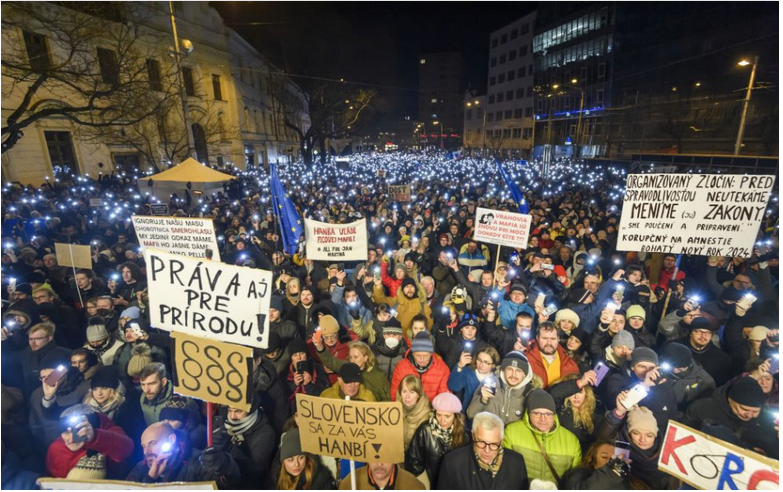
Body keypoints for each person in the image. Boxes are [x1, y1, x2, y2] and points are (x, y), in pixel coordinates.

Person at [502, 389, 582, 485]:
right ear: (529, 413)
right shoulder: (512, 432)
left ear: (554, 414)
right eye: (537, 413)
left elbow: (576, 479)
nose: (543, 419)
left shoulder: (571, 441)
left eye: (548, 414)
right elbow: (504, 470)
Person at [126, 422, 241, 488]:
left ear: (171, 439)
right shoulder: (141, 467)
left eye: (153, 443)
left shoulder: (197, 460)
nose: (147, 451)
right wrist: (150, 479)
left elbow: (226, 485)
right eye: (143, 446)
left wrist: (224, 465)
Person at [598, 398, 677, 490]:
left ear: (655, 436)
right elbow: (604, 438)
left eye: (649, 435)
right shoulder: (621, 447)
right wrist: (619, 412)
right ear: (628, 432)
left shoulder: (668, 455)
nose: (642, 439)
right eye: (636, 433)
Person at [436, 412, 528, 490]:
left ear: (501, 440)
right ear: (473, 435)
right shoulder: (452, 462)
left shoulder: (517, 462)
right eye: (481, 442)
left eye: (493, 444)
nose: (487, 450)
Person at [45, 404, 134, 479]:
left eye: (78, 432)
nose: (71, 439)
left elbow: (126, 448)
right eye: (66, 432)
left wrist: (95, 437)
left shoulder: (109, 434)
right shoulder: (56, 448)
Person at [406, 392, 470, 489]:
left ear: (455, 416)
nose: (442, 420)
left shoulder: (465, 436)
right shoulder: (425, 430)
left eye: (447, 416)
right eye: (439, 415)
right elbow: (414, 462)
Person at [211, 395, 276, 489]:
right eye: (230, 410)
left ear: (251, 410)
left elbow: (255, 470)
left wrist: (229, 446)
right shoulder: (223, 425)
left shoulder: (266, 432)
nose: (232, 417)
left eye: (238, 411)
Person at [467, 351, 537, 425]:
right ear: (503, 370)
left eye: (518, 371)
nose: (513, 374)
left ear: (524, 374)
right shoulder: (491, 384)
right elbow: (471, 415)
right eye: (509, 369)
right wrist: (482, 400)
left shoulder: (530, 393)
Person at [314, 338, 391, 402]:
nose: (352, 360)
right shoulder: (346, 367)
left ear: (365, 357)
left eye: (356, 357)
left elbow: (387, 399)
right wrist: (320, 347)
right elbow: (331, 361)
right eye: (350, 357)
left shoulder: (378, 376)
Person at [549, 373, 603, 453]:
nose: (576, 397)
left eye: (580, 392)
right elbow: (553, 394)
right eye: (572, 393)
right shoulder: (560, 410)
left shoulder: (595, 411)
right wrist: (579, 383)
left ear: (586, 393)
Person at [390, 332, 450, 403]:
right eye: (418, 355)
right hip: (407, 409)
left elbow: (443, 398)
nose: (422, 359)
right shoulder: (401, 367)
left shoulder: (442, 369)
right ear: (412, 353)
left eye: (425, 356)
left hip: (431, 410)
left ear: (431, 354)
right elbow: (395, 395)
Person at [526, 322, 580, 389]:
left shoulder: (570, 363)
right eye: (544, 338)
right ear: (537, 338)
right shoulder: (526, 359)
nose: (549, 343)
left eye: (553, 339)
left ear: (558, 338)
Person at [560, 440, 631, 490]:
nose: (610, 461)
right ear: (592, 459)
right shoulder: (577, 475)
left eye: (613, 458)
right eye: (604, 457)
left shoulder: (619, 479)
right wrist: (610, 473)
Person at [448, 346, 500, 411]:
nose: (481, 364)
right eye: (479, 360)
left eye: (486, 362)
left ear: (493, 365)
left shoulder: (498, 379)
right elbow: (453, 387)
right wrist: (460, 366)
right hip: (467, 414)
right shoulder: (469, 372)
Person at [397, 375, 432, 452]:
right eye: (404, 391)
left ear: (419, 395)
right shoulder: (393, 410)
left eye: (412, 392)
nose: (407, 396)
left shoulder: (426, 416)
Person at [339, 461, 425, 490]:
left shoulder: (414, 486)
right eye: (375, 457)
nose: (379, 464)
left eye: (385, 457)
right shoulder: (349, 483)